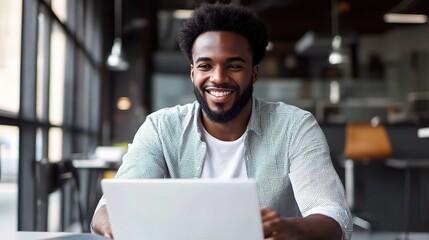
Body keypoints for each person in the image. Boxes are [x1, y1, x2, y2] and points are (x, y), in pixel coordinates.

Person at [92, 3, 353, 239]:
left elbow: (333, 215)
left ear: (254, 73)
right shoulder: (160, 129)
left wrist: (291, 228)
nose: (218, 77)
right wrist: (117, 222)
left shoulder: (294, 126)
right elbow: (107, 209)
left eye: (234, 66)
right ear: (192, 73)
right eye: (205, 66)